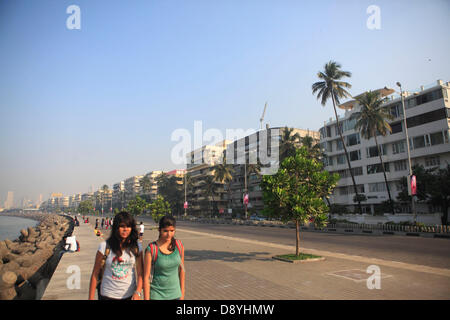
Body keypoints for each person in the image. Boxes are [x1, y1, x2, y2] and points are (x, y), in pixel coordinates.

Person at [88, 211, 144, 300]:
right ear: (116, 228)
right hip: (107, 295)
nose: (125, 229)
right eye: (122, 226)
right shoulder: (104, 246)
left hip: (129, 295)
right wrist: (91, 298)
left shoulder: (137, 247)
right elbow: (95, 274)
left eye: (128, 226)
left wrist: (138, 292)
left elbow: (140, 273)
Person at [143, 216, 185, 300]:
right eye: (165, 231)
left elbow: (182, 270)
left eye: (172, 231)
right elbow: (146, 277)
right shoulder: (152, 249)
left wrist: (182, 294)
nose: (169, 234)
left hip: (176, 295)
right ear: (159, 230)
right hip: (156, 296)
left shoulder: (179, 245)